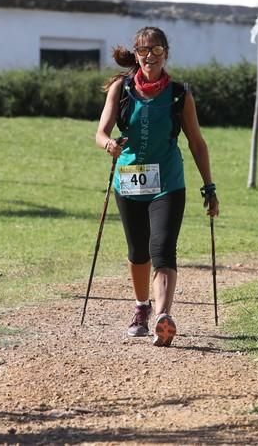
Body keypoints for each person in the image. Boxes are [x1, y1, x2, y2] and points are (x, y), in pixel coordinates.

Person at [95, 26, 218, 347]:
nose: (150, 56)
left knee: (162, 249)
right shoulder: (121, 89)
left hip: (168, 183)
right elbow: (101, 132)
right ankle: (141, 307)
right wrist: (109, 144)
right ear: (136, 55)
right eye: (144, 51)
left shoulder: (179, 93)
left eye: (157, 50)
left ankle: (163, 315)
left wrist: (209, 186)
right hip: (130, 181)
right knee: (138, 253)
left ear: (166, 52)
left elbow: (197, 143)